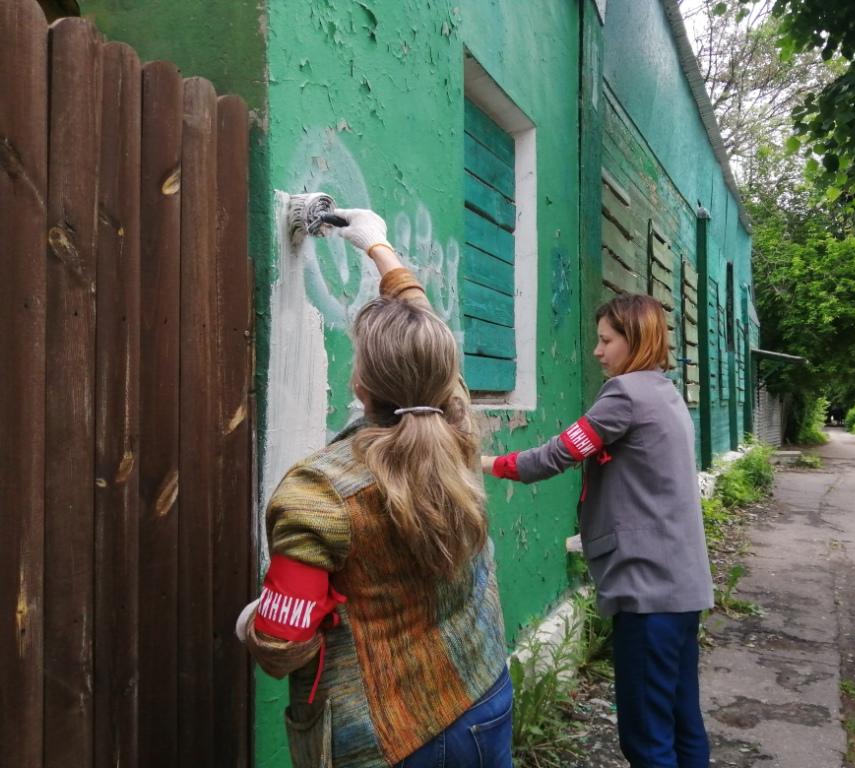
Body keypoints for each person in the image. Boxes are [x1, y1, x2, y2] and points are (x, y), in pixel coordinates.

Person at [238, 208, 511, 768]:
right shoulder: (457, 428)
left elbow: (283, 646)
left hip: (390, 743)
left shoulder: (317, 494)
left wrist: (254, 622)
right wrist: (380, 247)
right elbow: (428, 343)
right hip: (485, 695)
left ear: (360, 385)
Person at [482, 293, 714, 768]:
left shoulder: (625, 395)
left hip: (647, 590)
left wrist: (485, 462)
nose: (597, 351)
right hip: (681, 588)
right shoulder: (664, 392)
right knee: (681, 719)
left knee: (646, 737)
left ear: (636, 340)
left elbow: (557, 454)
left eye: (606, 340)